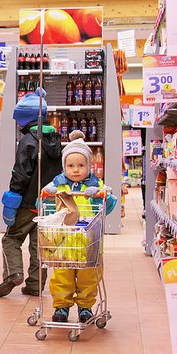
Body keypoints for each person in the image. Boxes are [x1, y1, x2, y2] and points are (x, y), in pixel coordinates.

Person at [41, 130, 117, 323]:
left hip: (88, 241)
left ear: (89, 167)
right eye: (71, 165)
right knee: (61, 274)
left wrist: (100, 194)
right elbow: (43, 206)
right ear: (64, 166)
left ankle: (85, 306)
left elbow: (110, 203)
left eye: (81, 165)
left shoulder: (95, 185)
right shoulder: (58, 185)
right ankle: (61, 307)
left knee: (88, 276)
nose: (75, 170)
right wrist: (47, 193)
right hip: (64, 241)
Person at [0, 88, 62, 297]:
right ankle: (35, 285)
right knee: (38, 244)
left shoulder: (27, 140)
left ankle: (13, 273)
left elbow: (21, 173)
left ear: (26, 117)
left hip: (27, 202)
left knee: (11, 238)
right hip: (48, 201)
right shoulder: (55, 139)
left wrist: (13, 197)